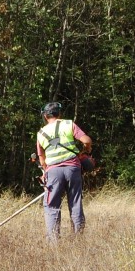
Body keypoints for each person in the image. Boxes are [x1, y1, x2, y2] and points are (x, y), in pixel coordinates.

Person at [36, 102, 92, 240]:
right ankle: (79, 238)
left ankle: (54, 242)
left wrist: (45, 172)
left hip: (53, 171)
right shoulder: (68, 124)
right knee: (75, 203)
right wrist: (85, 150)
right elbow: (86, 140)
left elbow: (42, 160)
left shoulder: (41, 133)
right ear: (59, 113)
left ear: (45, 116)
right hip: (73, 168)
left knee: (52, 206)